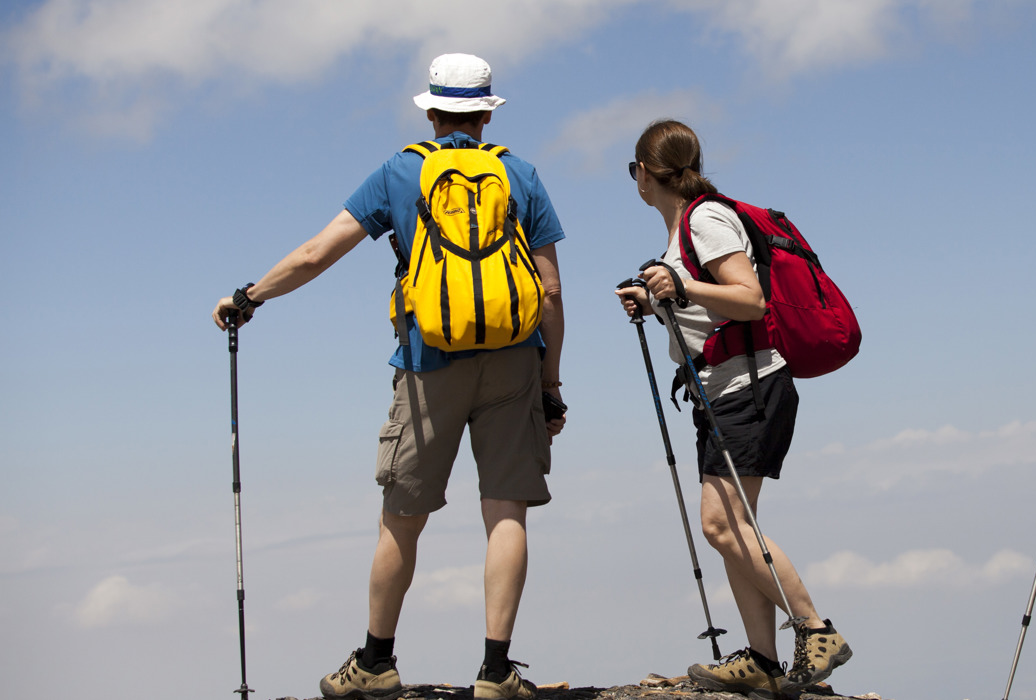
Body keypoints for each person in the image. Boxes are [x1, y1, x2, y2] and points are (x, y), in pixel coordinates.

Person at [211, 53, 565, 700]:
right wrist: (551, 384)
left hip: (428, 363)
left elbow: (318, 253)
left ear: (430, 111)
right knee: (505, 510)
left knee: (401, 517)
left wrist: (250, 297)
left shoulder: (402, 171)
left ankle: (375, 663)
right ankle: (495, 673)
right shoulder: (520, 174)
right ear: (487, 113)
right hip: (515, 359)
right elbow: (549, 292)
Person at [614, 120, 851, 699]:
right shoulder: (688, 227)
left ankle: (816, 629)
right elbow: (708, 301)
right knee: (732, 524)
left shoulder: (703, 219)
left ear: (645, 172)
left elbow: (749, 299)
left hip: (749, 386)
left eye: (634, 170)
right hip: (722, 390)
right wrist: (655, 298)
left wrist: (680, 287)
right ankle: (763, 660)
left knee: (722, 525)